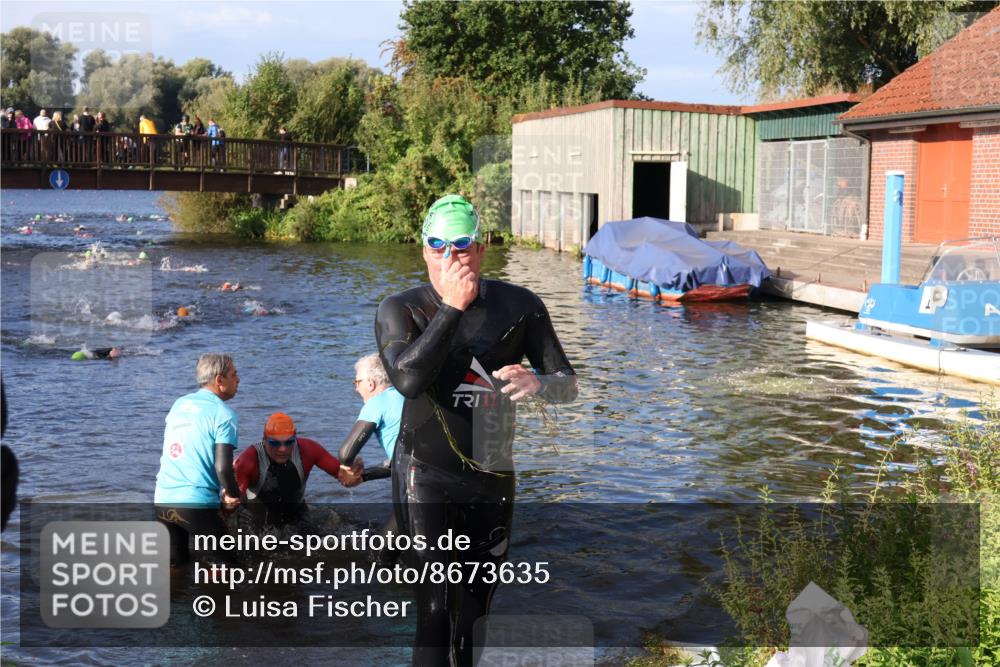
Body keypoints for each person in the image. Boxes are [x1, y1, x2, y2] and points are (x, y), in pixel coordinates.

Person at [375, 194, 577, 665]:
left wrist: (540, 382)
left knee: (477, 608)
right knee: (436, 606)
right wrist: (452, 307)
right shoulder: (400, 310)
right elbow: (408, 380)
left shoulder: (521, 306)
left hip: (492, 474)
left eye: (462, 245)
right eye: (439, 245)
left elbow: (568, 384)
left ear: (481, 248)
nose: (451, 257)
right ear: (423, 249)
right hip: (424, 474)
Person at [154, 353, 242, 566]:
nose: (238, 379)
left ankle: (177, 598)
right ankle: (219, 598)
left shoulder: (179, 404)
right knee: (229, 569)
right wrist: (232, 495)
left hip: (163, 499)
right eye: (234, 374)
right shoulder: (224, 415)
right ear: (220, 381)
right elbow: (223, 468)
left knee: (175, 566)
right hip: (197, 504)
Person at [234, 412, 362, 531]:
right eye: (275, 443)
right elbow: (234, 498)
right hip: (258, 524)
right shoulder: (249, 459)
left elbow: (343, 476)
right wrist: (229, 500)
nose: (282, 449)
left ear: (295, 437)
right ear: (264, 439)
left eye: (289, 442)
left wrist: (353, 475)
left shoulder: (309, 449)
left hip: (297, 517)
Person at [338, 353, 404, 482]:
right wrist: (362, 476)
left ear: (370, 383)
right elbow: (398, 461)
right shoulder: (407, 396)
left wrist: (349, 468)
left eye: (357, 382)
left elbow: (345, 454)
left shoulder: (377, 402)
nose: (356, 388)